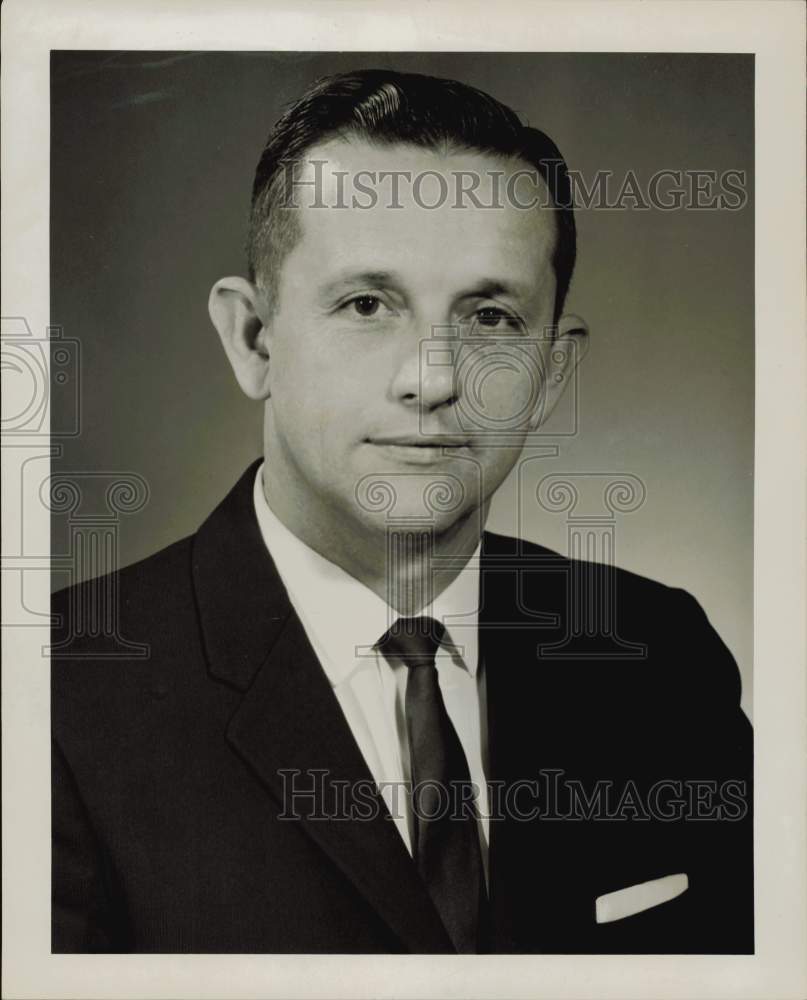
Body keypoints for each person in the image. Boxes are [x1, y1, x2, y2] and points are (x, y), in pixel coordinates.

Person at [51, 68, 753, 954]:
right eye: (366, 305)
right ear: (253, 339)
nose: (433, 377)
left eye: (491, 318)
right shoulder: (57, 698)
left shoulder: (658, 654)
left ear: (552, 377)